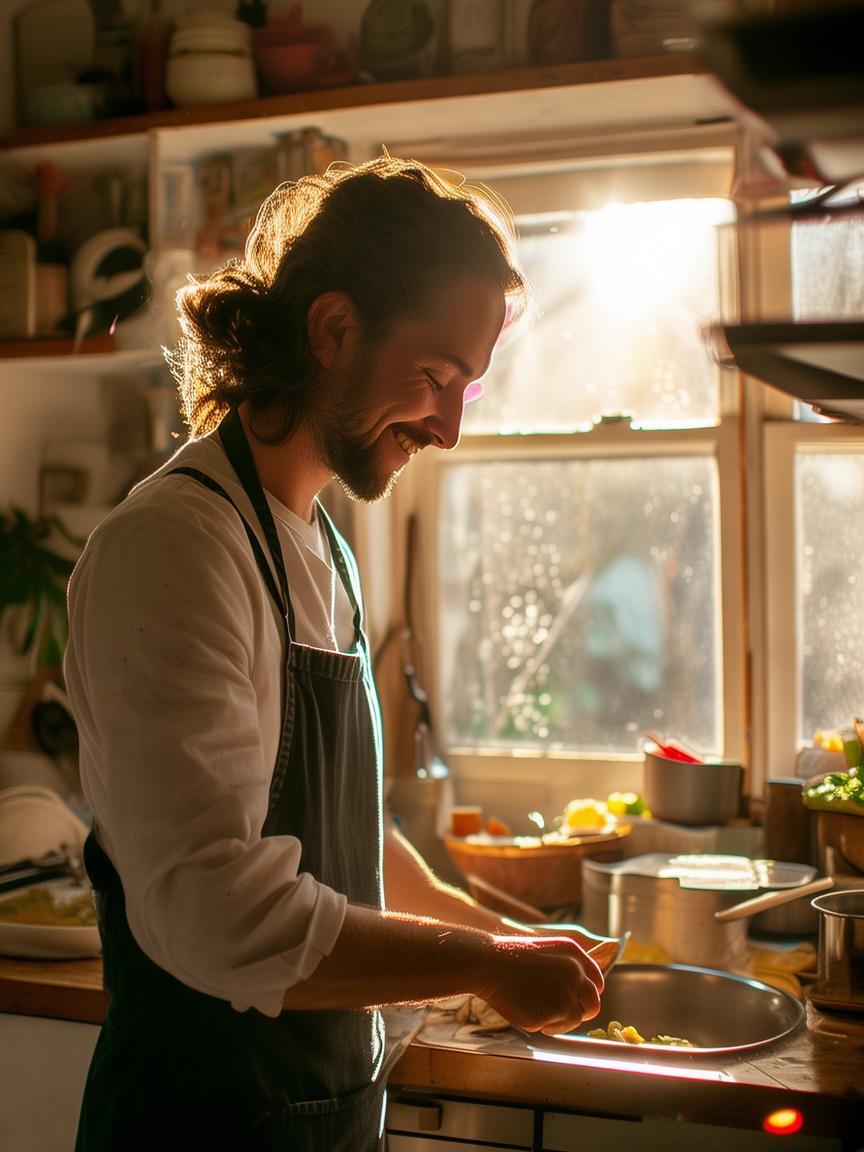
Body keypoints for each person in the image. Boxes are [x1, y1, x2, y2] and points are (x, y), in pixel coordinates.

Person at [64, 155, 604, 1152]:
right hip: (202, 1123)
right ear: (332, 330)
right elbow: (219, 908)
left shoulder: (323, 547)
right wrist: (483, 965)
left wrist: (501, 940)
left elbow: (347, 847)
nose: (447, 426)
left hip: (325, 1119)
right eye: (435, 377)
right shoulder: (176, 549)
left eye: (465, 389)